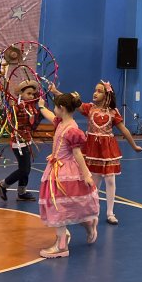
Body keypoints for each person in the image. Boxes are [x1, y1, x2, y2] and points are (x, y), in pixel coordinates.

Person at [51, 80, 142, 224]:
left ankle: (110, 212)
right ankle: (93, 211)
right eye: (95, 90)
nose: (95, 93)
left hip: (108, 149)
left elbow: (123, 129)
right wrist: (56, 92)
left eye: (99, 91)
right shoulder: (89, 108)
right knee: (94, 181)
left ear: (107, 95)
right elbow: (69, 102)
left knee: (110, 179)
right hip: (92, 149)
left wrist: (134, 146)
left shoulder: (113, 112)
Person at [36, 91, 99, 258]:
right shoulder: (61, 122)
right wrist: (41, 107)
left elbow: (77, 154)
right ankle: (89, 223)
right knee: (66, 206)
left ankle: (62, 245)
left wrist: (86, 174)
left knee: (59, 206)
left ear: (62, 108)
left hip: (65, 173)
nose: (54, 110)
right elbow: (51, 116)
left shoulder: (72, 129)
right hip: (56, 169)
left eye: (55, 107)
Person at [0, 80, 41, 201]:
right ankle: (3, 185)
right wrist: (11, 108)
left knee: (26, 168)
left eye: (32, 94)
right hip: (18, 142)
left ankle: (22, 193)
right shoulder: (15, 107)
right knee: (24, 169)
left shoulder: (30, 107)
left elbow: (32, 124)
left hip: (27, 140)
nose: (31, 96)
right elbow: (8, 122)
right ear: (20, 94)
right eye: (28, 93)